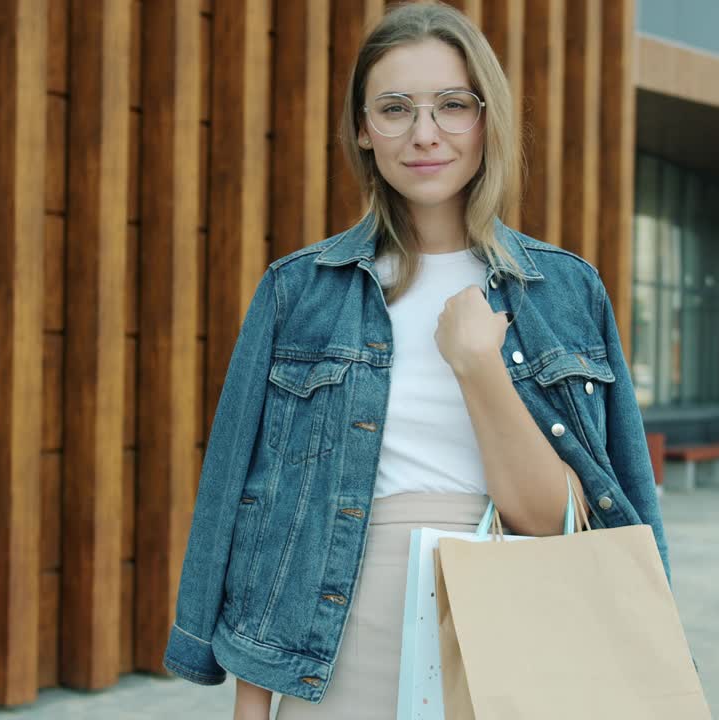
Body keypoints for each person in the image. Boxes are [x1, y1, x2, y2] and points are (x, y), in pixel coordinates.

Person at [162, 3, 668, 718]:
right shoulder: (297, 290)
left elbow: (556, 521)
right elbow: (255, 508)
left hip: (515, 634)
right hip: (335, 643)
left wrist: (478, 367)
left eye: (452, 105)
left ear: (486, 120)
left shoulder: (565, 292)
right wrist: (253, 706)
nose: (424, 134)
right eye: (394, 109)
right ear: (364, 131)